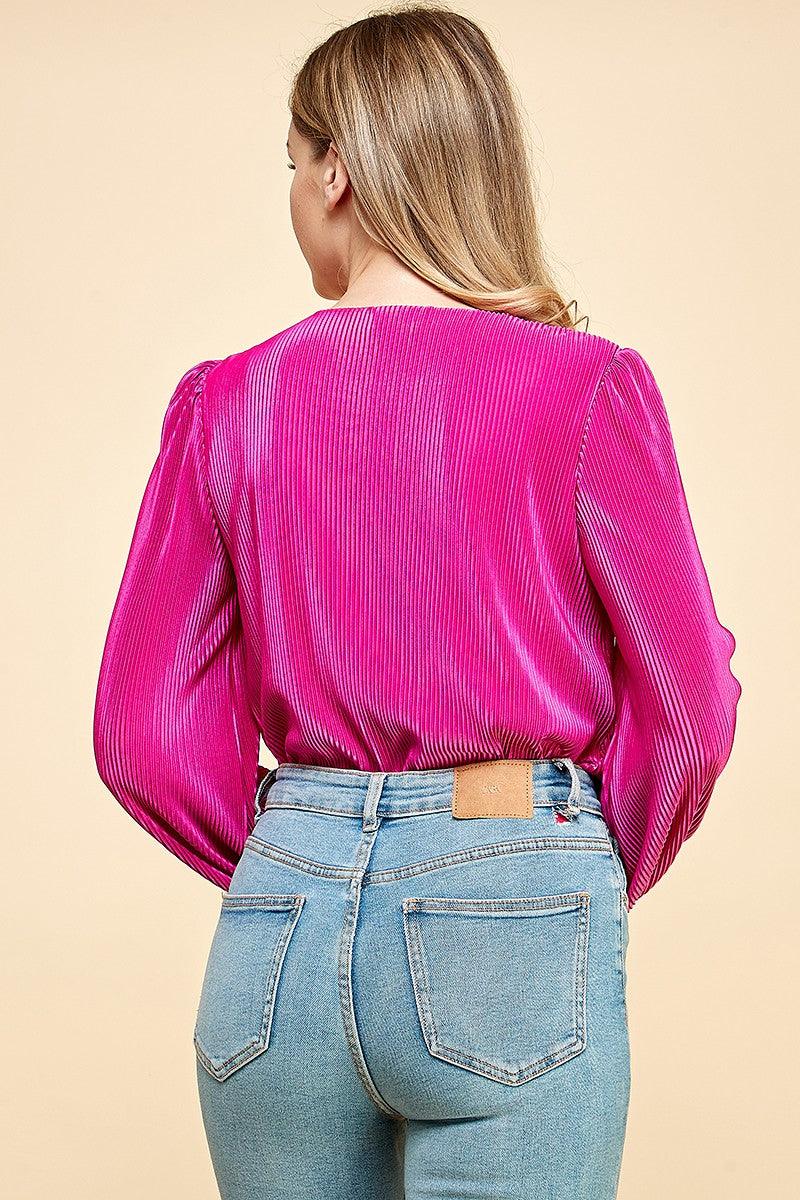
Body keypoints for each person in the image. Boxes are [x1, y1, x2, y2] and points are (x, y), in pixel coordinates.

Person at [92, 5, 741, 1198]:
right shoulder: (588, 390)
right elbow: (688, 709)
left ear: (335, 170)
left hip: (282, 919)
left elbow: (141, 730)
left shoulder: (224, 402)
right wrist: (562, 863)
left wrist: (303, 851)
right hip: (513, 897)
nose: (292, 195)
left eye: (291, 164)